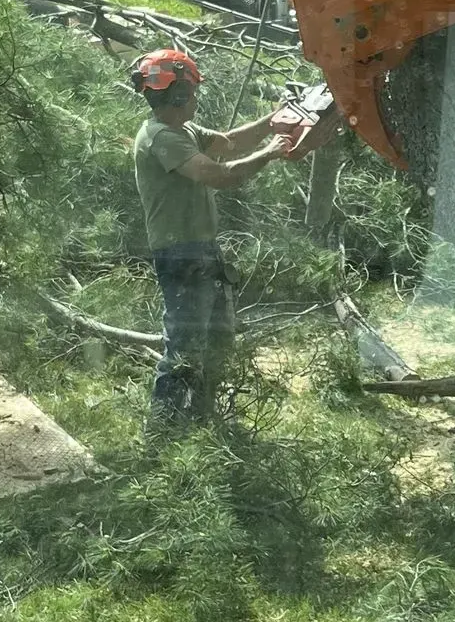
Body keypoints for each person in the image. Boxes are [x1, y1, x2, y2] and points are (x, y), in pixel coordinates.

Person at [130, 46, 337, 421]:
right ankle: (163, 435)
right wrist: (269, 153)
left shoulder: (183, 128)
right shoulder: (162, 137)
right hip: (181, 256)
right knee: (184, 349)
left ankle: (203, 420)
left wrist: (274, 119)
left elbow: (228, 143)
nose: (195, 97)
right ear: (177, 94)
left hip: (202, 251)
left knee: (217, 342)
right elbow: (220, 175)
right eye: (191, 92)